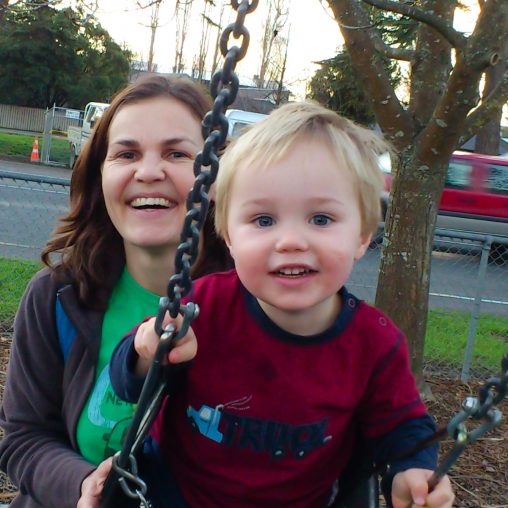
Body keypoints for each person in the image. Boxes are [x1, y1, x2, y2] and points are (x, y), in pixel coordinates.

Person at [109, 102, 455, 508]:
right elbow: (128, 384)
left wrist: (412, 470)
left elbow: (403, 425)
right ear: (229, 238)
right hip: (173, 495)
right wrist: (147, 349)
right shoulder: (203, 306)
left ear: (362, 236)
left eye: (321, 219)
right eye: (264, 220)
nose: (291, 241)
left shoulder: (373, 343)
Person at [0, 75, 233, 508]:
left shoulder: (254, 304)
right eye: (127, 154)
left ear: (217, 178)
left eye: (177, 153)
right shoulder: (58, 297)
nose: (148, 172)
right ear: (100, 175)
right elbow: (24, 438)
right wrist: (82, 484)